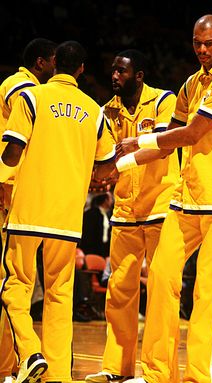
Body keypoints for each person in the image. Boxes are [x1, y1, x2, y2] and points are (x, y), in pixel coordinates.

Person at [114, 14, 212, 383]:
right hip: (184, 197)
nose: (201, 49)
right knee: (163, 276)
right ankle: (156, 374)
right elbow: (167, 143)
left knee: (206, 293)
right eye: (197, 43)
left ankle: (199, 377)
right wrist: (119, 165)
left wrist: (140, 140)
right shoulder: (189, 84)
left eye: (209, 43)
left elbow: (192, 133)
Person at [0, 40, 116, 383]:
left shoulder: (31, 98)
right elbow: (107, 165)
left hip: (27, 211)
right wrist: (91, 178)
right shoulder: (94, 110)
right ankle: (59, 374)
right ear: (81, 69)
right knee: (60, 295)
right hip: (67, 218)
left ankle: (30, 351)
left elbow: (12, 152)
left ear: (53, 65)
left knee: (14, 286)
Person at [86, 49, 181, 383]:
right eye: (113, 70)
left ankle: (158, 374)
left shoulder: (163, 101)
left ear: (138, 75)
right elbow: (106, 157)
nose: (114, 76)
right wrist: (99, 173)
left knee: (160, 294)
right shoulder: (106, 111)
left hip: (161, 207)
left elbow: (162, 146)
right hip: (125, 209)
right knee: (119, 293)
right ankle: (116, 368)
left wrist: (120, 161)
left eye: (121, 71)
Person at [0, 37, 57, 383]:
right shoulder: (22, 87)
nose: (57, 68)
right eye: (53, 62)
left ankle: (9, 364)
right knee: (12, 282)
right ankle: (24, 354)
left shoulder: (31, 89)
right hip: (7, 191)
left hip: (14, 192)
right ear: (40, 62)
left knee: (11, 283)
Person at [80, 191, 114, 258]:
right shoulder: (91, 214)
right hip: (91, 250)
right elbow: (88, 233)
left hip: (103, 250)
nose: (112, 201)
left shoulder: (107, 215)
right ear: (105, 200)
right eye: (110, 198)